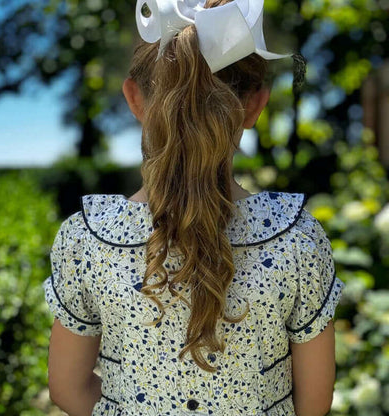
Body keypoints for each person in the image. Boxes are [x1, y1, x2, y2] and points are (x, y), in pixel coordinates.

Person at [43, 0, 346, 415]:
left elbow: (67, 388)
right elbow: (313, 403)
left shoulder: (87, 241)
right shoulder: (297, 239)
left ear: (134, 99)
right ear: (256, 105)